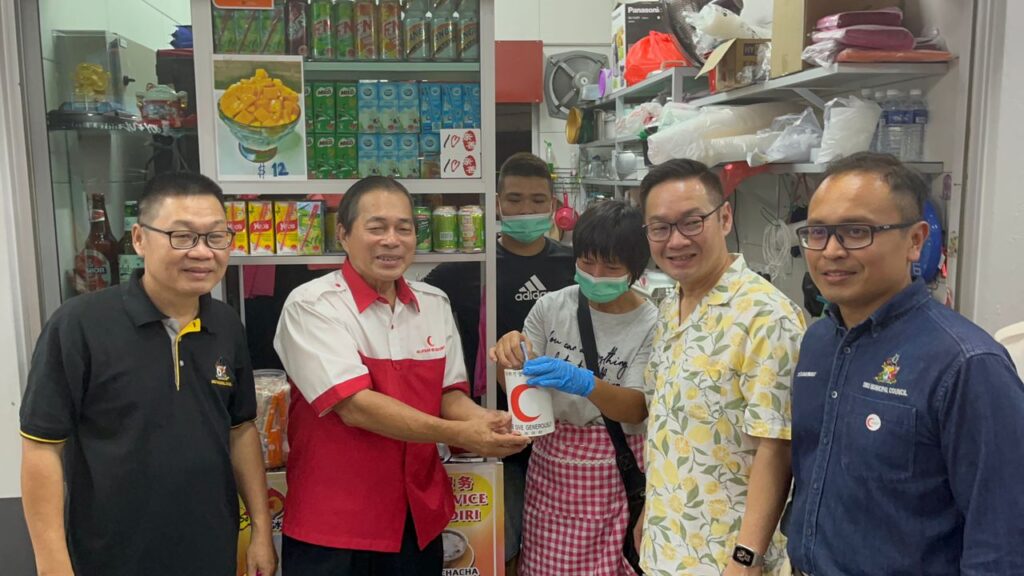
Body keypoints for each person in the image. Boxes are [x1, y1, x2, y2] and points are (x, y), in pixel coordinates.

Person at [19, 172, 277, 576]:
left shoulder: (226, 324)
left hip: (210, 549)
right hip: (109, 555)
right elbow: (41, 448)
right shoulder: (80, 324)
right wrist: (52, 564)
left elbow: (240, 429)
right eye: (182, 236)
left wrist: (261, 529)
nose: (202, 252)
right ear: (140, 239)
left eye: (216, 236)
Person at [273, 176, 530, 575]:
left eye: (404, 228)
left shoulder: (433, 303)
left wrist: (489, 422)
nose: (391, 240)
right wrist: (461, 434)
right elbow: (355, 407)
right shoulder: (312, 305)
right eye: (376, 228)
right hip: (334, 524)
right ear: (343, 234)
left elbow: (448, 395)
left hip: (416, 519)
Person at [786, 152, 1024, 576]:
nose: (831, 251)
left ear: (915, 240)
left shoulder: (967, 365)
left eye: (856, 231)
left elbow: (1002, 541)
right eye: (818, 232)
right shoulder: (818, 342)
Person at [637, 159, 806, 575]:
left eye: (691, 222)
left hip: (728, 559)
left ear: (725, 218)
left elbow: (777, 447)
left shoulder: (766, 317)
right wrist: (650, 513)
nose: (676, 240)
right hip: (667, 547)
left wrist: (746, 557)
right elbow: (669, 425)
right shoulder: (670, 305)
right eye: (660, 228)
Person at [422, 152, 575, 572]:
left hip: (561, 428)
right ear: (496, 203)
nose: (526, 210)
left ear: (553, 204)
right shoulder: (467, 265)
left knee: (551, 543)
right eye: (515, 199)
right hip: (491, 424)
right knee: (498, 543)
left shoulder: (572, 264)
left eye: (537, 200)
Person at [490, 200, 657, 576]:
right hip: (551, 468)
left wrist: (584, 383)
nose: (596, 275)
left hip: (615, 469)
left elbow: (636, 408)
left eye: (611, 268)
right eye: (586, 262)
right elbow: (521, 391)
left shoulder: (652, 323)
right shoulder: (551, 308)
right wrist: (507, 359)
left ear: (635, 268)